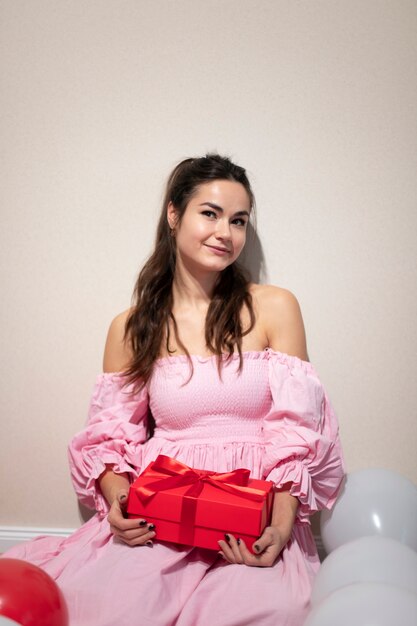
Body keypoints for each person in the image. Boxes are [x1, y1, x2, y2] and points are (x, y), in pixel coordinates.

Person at [5, 154, 345, 625]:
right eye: (210, 213)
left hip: (254, 517)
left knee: (254, 611)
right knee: (115, 608)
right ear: (173, 214)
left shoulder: (274, 307)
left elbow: (299, 432)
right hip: (161, 518)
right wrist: (119, 501)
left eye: (239, 220)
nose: (226, 232)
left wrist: (281, 525)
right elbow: (108, 438)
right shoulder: (131, 328)